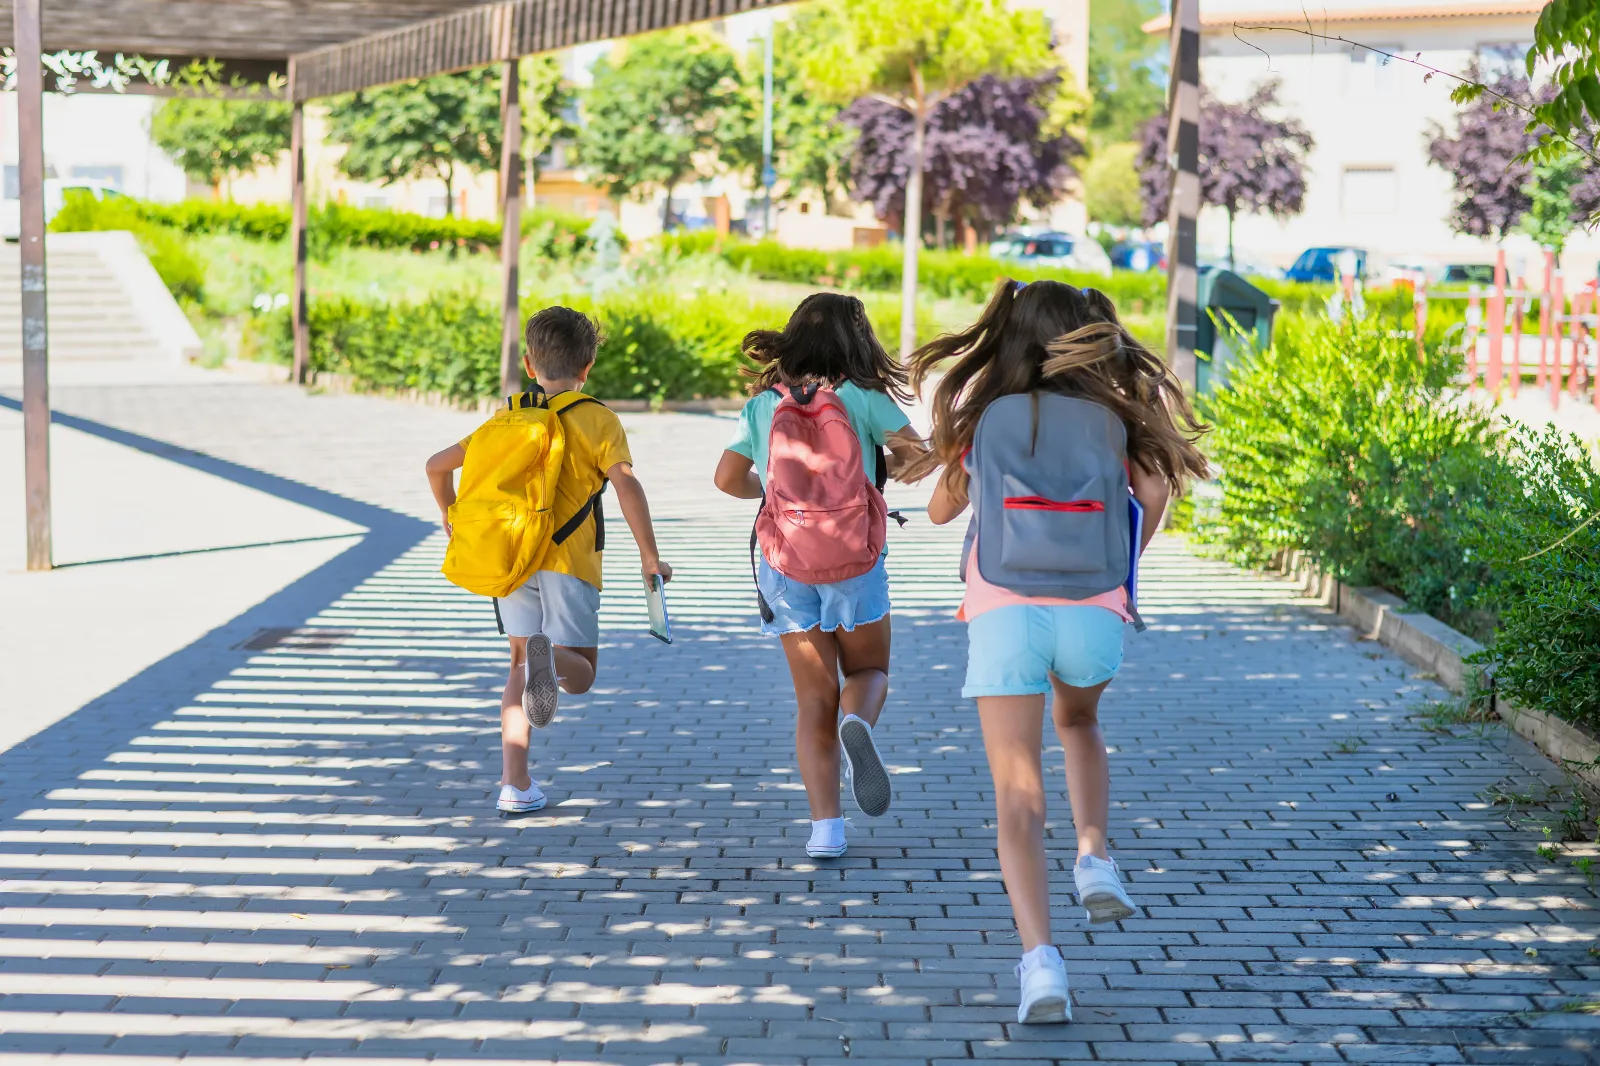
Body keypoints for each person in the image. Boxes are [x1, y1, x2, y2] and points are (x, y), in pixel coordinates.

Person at [904, 280, 1209, 1024]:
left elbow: (944, 509)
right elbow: (1156, 491)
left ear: (1010, 337)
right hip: (1095, 608)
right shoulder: (1115, 413)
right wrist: (1123, 557)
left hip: (1006, 608)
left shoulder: (987, 413)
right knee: (1079, 725)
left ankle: (1041, 965)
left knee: (1016, 794)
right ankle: (1095, 855)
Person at [426, 307, 672, 817]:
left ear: (529, 364)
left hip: (512, 561)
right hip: (569, 563)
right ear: (589, 366)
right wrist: (650, 555)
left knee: (518, 666)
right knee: (581, 673)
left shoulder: (508, 418)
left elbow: (435, 465)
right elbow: (625, 483)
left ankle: (514, 785)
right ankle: (552, 660)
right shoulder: (597, 417)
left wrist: (450, 516)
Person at [712, 293, 924, 859]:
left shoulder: (763, 405)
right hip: (856, 554)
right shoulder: (863, 396)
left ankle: (825, 830)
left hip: (785, 562)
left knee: (812, 700)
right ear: (859, 341)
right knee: (871, 667)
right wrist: (878, 477)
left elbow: (726, 477)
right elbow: (922, 457)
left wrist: (777, 496)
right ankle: (859, 721)